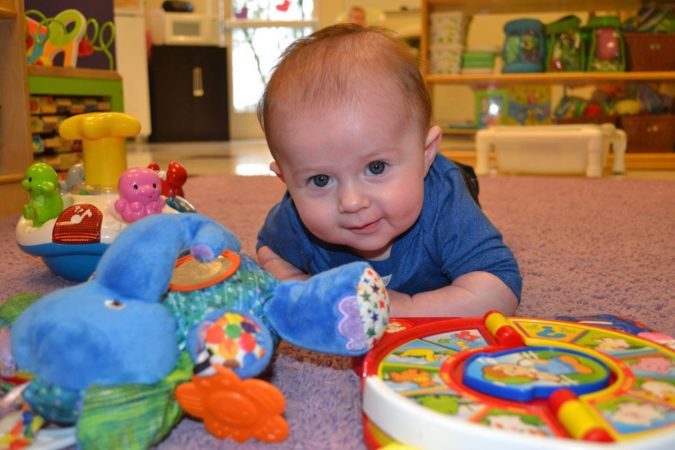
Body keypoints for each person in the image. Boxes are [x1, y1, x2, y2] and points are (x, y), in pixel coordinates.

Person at [256, 24, 521, 317]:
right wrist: (300, 286)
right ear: (287, 182)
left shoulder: (446, 206)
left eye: (376, 167)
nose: (352, 201)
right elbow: (269, 252)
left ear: (426, 153)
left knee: (460, 184)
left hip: (446, 184)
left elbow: (500, 290)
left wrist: (406, 307)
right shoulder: (293, 219)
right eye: (321, 179)